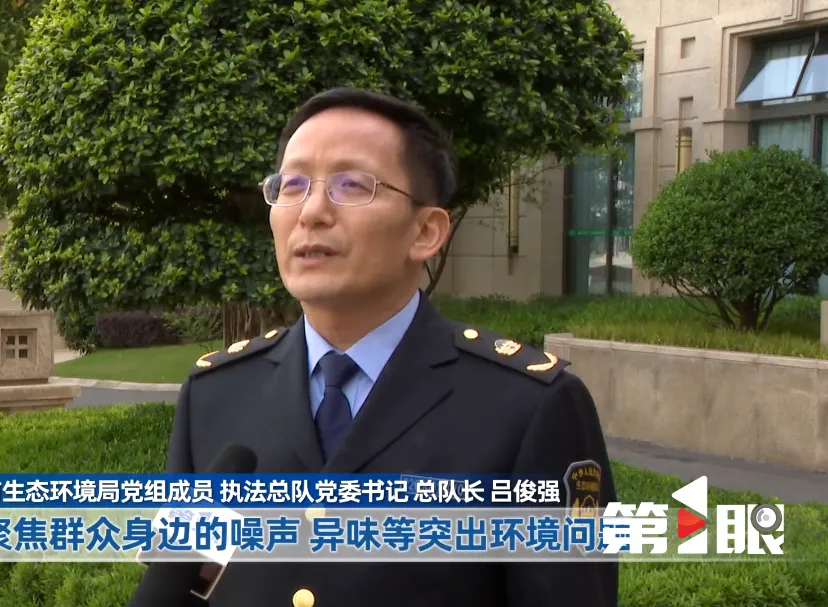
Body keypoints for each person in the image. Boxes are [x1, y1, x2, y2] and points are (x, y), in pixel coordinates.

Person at [130, 87, 619, 607]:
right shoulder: (216, 394)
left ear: (425, 232)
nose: (311, 212)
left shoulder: (528, 406)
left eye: (352, 185)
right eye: (292, 185)